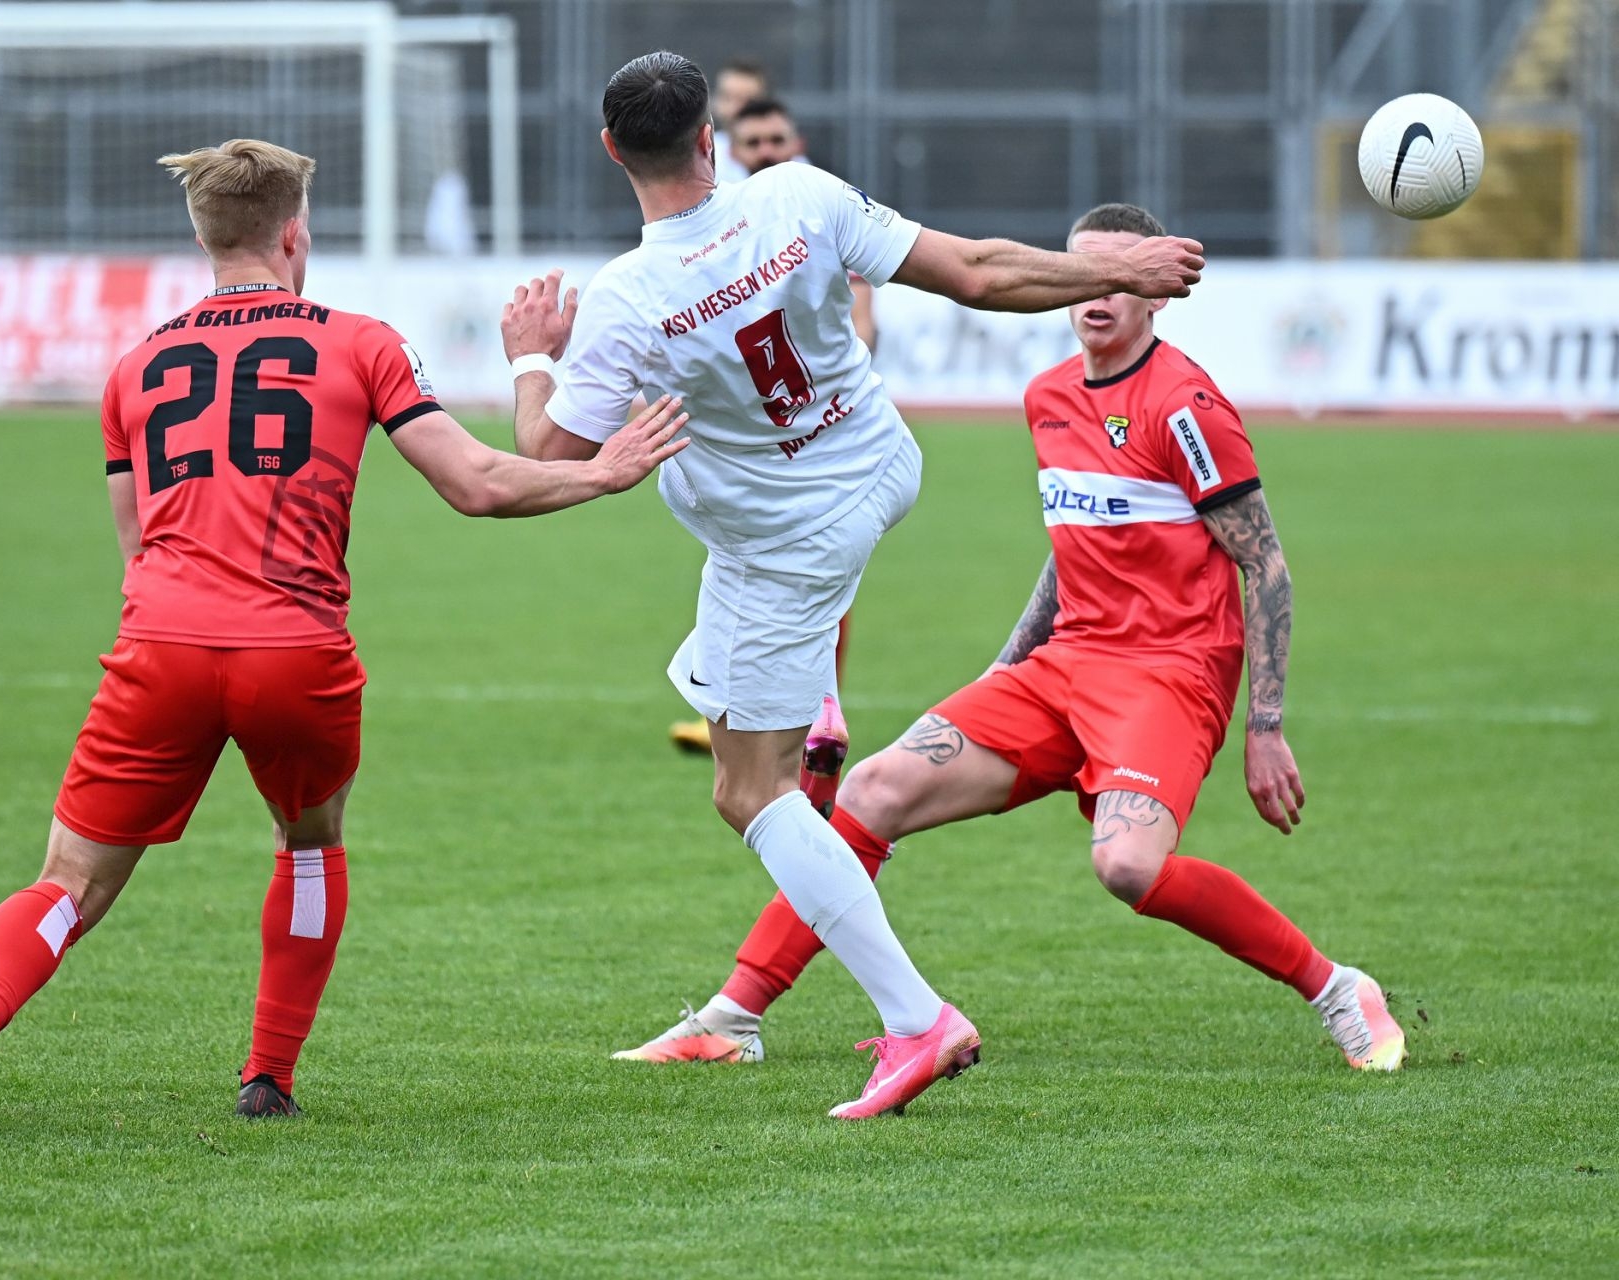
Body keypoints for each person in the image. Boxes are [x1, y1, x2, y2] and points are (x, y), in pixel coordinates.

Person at [0, 139, 688, 1130]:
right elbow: (476, 483)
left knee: (70, 878)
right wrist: (603, 469)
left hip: (160, 644)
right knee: (308, 840)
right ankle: (267, 1077)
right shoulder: (361, 341)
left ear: (204, 236)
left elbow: (137, 548)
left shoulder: (135, 369)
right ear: (295, 233)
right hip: (296, 648)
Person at [501, 54, 1205, 1118]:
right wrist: (1122, 276)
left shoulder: (626, 297)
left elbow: (550, 449)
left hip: (782, 546)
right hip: (877, 465)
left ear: (613, 152)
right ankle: (747, 1002)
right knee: (767, 753)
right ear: (711, 139)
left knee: (752, 790)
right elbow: (977, 268)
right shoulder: (799, 193)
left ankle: (917, 1019)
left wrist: (532, 359)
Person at [612, 202, 1408, 1076]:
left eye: (1121, 277)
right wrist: (1006, 668)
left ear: (1153, 296)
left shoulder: (1185, 407)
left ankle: (1339, 989)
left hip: (1168, 678)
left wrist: (1265, 728)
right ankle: (735, 1017)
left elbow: (1267, 565)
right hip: (1064, 670)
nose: (1100, 295)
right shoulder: (1050, 398)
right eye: (1087, 275)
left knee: (1129, 867)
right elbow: (1072, 550)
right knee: (873, 791)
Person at [669, 97, 869, 776]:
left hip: (814, 440)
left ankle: (795, 712)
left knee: (781, 571)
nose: (763, 148)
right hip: (756, 442)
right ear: (727, 146)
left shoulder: (814, 211)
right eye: (750, 139)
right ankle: (801, 712)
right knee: (769, 571)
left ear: (796, 142)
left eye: (775, 138)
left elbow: (861, 327)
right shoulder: (722, 225)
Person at [710, 57, 770, 184]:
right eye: (728, 98)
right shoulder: (699, 158)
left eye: (748, 101)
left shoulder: (787, 159)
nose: (735, 108)